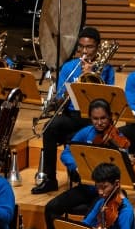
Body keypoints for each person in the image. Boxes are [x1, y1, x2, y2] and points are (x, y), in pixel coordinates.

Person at [40, 100, 129, 229]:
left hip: (105, 193)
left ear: (110, 117)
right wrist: (77, 167)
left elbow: (124, 167)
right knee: (51, 207)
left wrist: (122, 153)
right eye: (95, 119)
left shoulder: (118, 138)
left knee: (91, 217)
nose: (100, 123)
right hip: (86, 187)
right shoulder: (85, 133)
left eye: (103, 118)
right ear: (90, 118)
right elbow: (66, 153)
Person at [33, 27, 112, 193]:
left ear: (97, 47)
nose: (84, 51)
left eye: (89, 47)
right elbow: (60, 97)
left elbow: (106, 99)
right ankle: (49, 179)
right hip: (71, 114)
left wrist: (91, 75)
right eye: (81, 47)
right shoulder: (69, 67)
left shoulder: (106, 69)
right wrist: (66, 93)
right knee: (49, 129)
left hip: (92, 119)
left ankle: (87, 177)